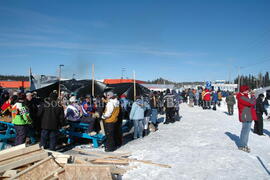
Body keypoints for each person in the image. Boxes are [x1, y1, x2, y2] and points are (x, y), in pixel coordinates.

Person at [236, 86, 257, 153]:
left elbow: (252, 103)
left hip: (248, 115)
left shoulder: (245, 96)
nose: (248, 91)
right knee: (245, 131)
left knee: (247, 132)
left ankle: (244, 144)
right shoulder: (241, 97)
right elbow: (251, 103)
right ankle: (242, 145)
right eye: (247, 90)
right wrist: (253, 95)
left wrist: (252, 96)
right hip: (245, 116)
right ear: (243, 90)